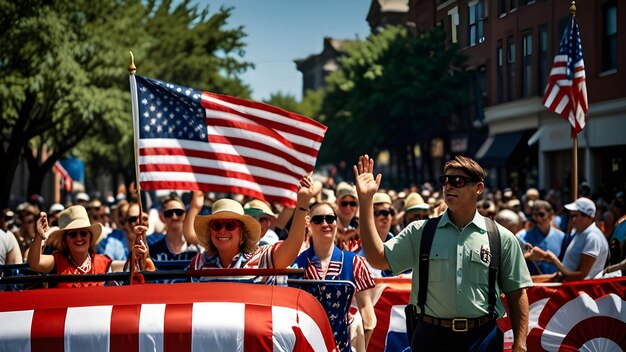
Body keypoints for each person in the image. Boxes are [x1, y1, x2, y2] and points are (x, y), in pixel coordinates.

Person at [354, 154, 532, 352]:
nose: (448, 186)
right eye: (444, 180)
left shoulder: (501, 237)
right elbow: (378, 259)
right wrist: (365, 200)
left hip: (482, 338)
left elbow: (517, 294)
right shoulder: (421, 231)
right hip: (431, 337)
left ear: (478, 188)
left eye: (458, 181)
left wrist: (520, 344)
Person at [186, 175, 314, 283]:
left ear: (242, 233)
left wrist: (302, 204)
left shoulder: (263, 258)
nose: (222, 230)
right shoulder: (199, 263)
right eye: (217, 226)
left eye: (230, 225)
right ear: (210, 232)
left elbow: (291, 247)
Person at [291, 202, 376, 351]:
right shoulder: (295, 265)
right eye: (318, 220)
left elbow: (368, 318)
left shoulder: (354, 262)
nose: (325, 224)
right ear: (309, 224)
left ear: (336, 222)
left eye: (330, 219)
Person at [27, 205, 154, 288]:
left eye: (83, 233)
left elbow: (134, 266)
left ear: (90, 237)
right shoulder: (57, 260)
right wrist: (39, 235)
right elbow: (34, 262)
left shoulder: (102, 261)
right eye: (72, 234)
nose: (79, 238)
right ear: (65, 240)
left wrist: (138, 245)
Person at [528, 197, 609, 281]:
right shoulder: (579, 233)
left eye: (575, 216)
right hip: (566, 284)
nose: (572, 219)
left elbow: (581, 276)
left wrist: (553, 260)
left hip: (579, 291)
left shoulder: (593, 237)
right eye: (571, 216)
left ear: (588, 217)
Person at [517, 200, 565, 275]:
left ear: (551, 215)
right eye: (535, 215)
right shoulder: (522, 236)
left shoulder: (562, 237)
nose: (538, 218)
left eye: (541, 214)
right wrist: (527, 257)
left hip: (556, 282)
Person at [149, 196, 199, 262]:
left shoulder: (197, 249)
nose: (174, 217)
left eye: (179, 212)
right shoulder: (153, 250)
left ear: (185, 215)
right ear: (162, 217)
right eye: (169, 213)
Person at [334, 181, 360, 251]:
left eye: (352, 203)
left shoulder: (361, 229)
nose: (348, 207)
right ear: (336, 203)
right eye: (344, 203)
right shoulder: (329, 226)